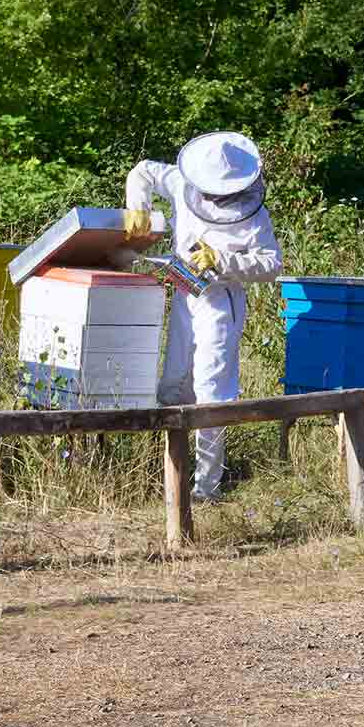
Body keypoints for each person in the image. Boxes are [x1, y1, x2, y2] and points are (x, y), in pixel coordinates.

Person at [122, 131, 282, 502]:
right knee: (174, 384)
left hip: (220, 300)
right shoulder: (182, 183)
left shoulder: (254, 216)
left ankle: (205, 488)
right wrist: (138, 207)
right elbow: (142, 172)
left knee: (212, 390)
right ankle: (168, 472)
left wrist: (224, 260)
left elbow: (271, 264)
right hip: (183, 291)